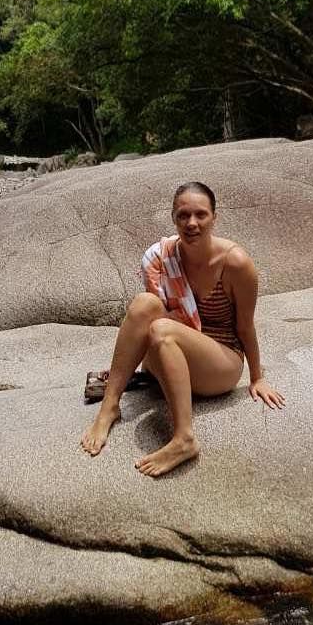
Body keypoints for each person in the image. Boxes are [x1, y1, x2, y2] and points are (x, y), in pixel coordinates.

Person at [80, 181, 285, 476]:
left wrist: (257, 377)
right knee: (144, 304)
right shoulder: (164, 257)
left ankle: (184, 439)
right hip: (174, 350)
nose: (192, 223)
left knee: (162, 330)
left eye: (201, 214)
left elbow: (245, 326)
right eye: (183, 215)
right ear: (173, 219)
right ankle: (110, 407)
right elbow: (152, 314)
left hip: (220, 362)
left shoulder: (236, 263)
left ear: (214, 217)